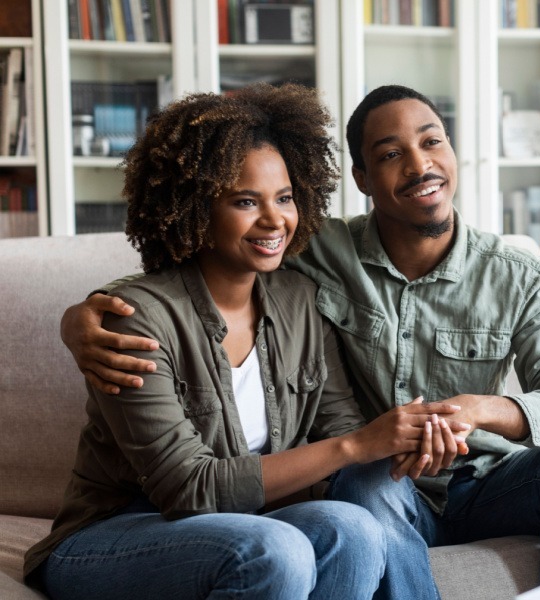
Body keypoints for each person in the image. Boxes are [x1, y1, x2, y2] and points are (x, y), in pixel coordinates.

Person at [59, 84, 540, 599]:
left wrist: (482, 410)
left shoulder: (514, 273)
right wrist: (80, 317)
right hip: (371, 483)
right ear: (360, 178)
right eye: (390, 154)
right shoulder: (318, 253)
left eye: (433, 142)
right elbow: (181, 269)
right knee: (361, 486)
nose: (420, 165)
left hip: (484, 482)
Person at [26, 83, 468, 599]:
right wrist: (357, 444)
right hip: (115, 535)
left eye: (283, 198)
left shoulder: (300, 300)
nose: (273, 220)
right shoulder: (135, 319)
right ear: (196, 208)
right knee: (273, 549)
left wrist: (412, 439)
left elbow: (342, 425)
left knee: (354, 529)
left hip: (253, 522)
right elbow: (187, 488)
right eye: (244, 201)